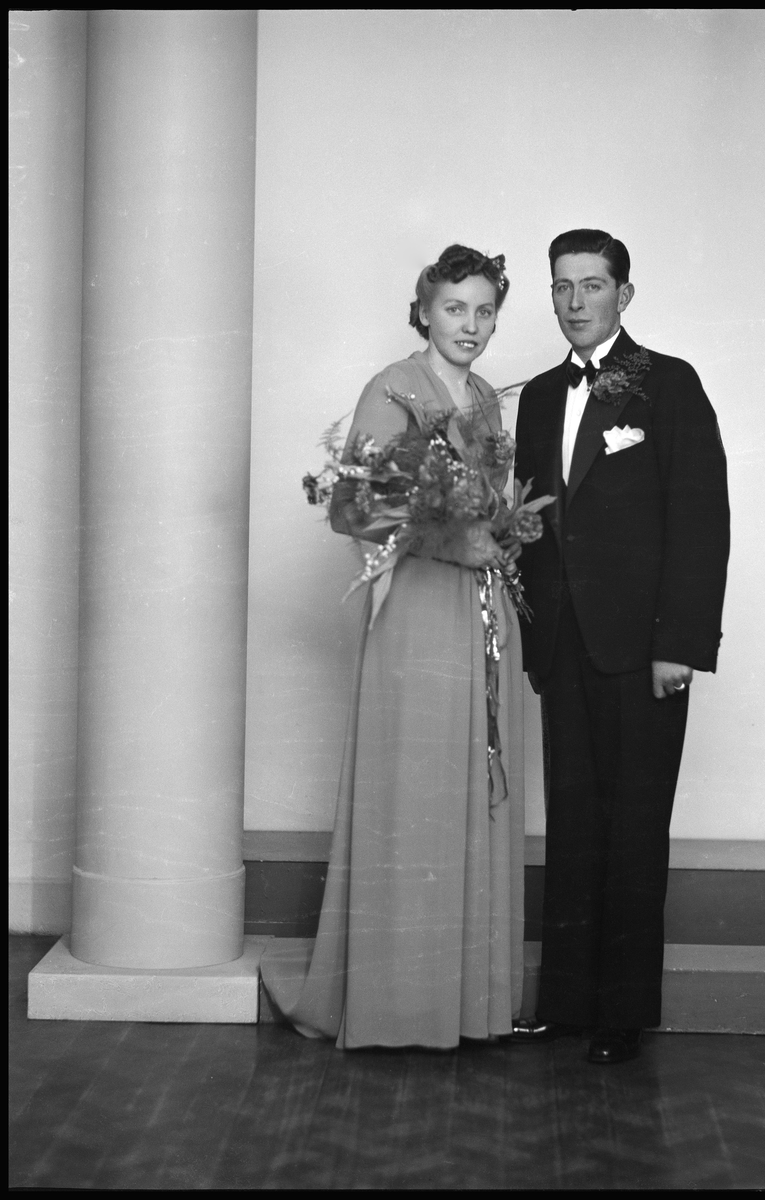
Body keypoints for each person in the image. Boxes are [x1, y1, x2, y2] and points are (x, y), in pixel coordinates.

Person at [261, 245, 526, 1049]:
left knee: (474, 782)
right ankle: (400, 1006)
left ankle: (465, 1005)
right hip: (419, 607)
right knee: (417, 785)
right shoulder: (393, 388)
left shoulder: (486, 398)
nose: (470, 325)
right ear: (424, 311)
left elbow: (496, 503)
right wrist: (456, 541)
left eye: (484, 310)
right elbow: (353, 507)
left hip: (483, 606)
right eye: (455, 308)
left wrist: (504, 534)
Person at [511, 229, 730, 1064]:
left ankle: (622, 1014)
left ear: (623, 295)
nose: (574, 302)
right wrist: (528, 632)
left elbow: (701, 521)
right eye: (562, 287)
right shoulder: (538, 396)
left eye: (592, 285)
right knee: (572, 823)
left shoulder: (668, 384)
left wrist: (680, 644)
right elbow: (532, 523)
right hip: (562, 645)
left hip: (644, 650)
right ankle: (567, 1003)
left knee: (634, 826)